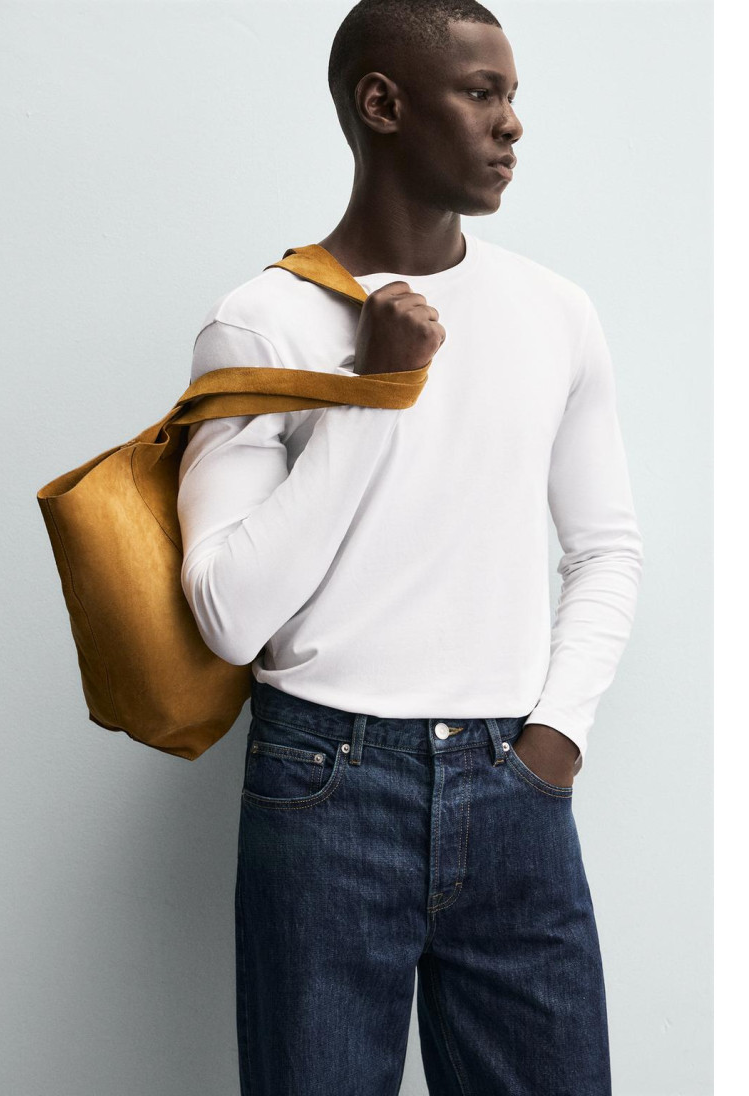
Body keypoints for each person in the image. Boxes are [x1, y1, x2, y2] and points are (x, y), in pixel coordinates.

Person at [176, 1, 644, 1092]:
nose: (511, 123)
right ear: (381, 104)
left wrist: (554, 739)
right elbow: (226, 611)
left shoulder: (554, 311)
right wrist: (374, 392)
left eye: (511, 96)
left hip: (513, 781)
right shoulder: (262, 322)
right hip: (324, 787)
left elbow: (606, 547)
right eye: (481, 93)